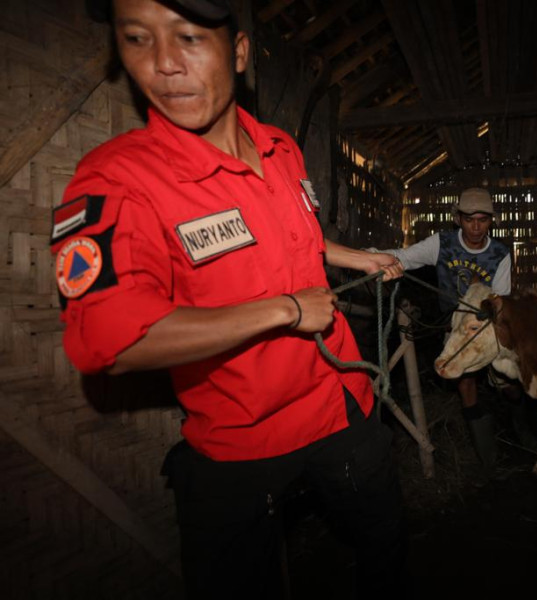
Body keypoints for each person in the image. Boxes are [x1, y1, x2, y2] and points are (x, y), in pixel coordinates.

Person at [52, 0, 408, 597]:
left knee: (386, 547)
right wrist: (287, 311)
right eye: (138, 39)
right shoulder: (117, 181)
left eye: (189, 37)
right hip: (239, 435)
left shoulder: (280, 149)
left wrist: (353, 258)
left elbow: (295, 234)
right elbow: (107, 340)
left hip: (341, 402)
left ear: (239, 53)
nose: (164, 64)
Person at [378, 188, 516, 478]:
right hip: (453, 327)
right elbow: (404, 257)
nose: (476, 227)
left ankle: (520, 428)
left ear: (491, 220)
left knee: (510, 384)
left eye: (483, 220)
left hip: (486, 329)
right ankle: (488, 461)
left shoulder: (501, 254)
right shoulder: (442, 243)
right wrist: (367, 257)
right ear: (457, 219)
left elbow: (502, 299)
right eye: (469, 219)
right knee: (465, 383)